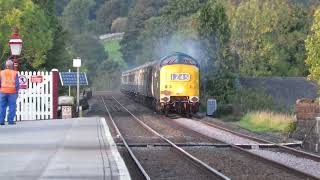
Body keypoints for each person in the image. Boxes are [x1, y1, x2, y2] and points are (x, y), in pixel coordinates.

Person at [0, 60, 19, 125]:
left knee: (2, 106)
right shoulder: (15, 73)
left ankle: (1, 121)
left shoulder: (1, 72)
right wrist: (17, 92)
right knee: (12, 106)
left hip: (2, 91)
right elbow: (17, 84)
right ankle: (10, 121)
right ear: (12, 66)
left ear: (6, 65)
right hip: (12, 92)